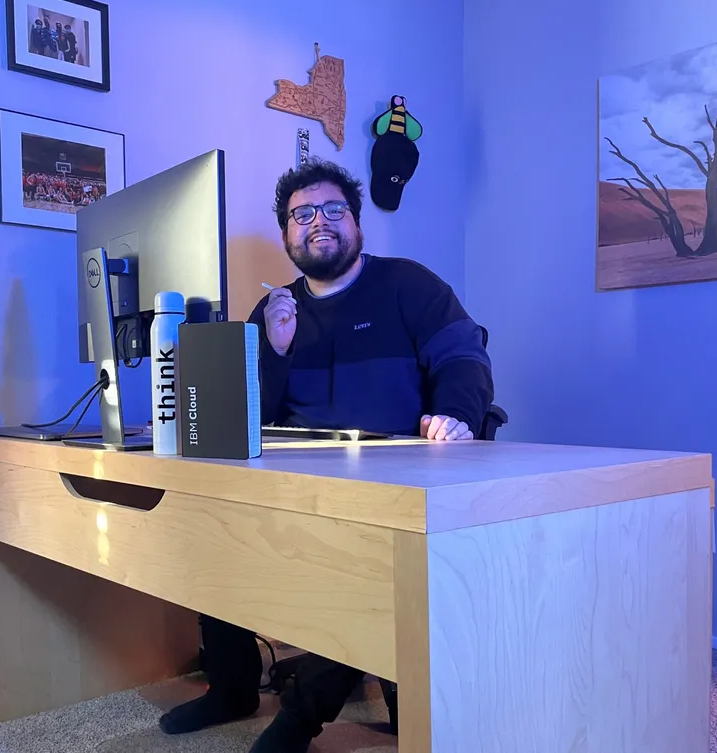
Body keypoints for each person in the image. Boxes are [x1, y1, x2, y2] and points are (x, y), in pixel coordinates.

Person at [158, 159, 495, 752]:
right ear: (287, 234)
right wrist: (276, 350)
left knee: (367, 564)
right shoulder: (275, 310)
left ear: (357, 223)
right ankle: (232, 686)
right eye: (303, 214)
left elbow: (463, 358)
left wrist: (457, 417)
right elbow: (244, 414)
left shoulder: (410, 285)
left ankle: (301, 715)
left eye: (334, 210)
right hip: (296, 480)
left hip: (396, 478)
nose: (320, 223)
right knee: (208, 526)